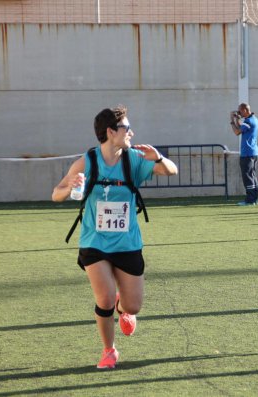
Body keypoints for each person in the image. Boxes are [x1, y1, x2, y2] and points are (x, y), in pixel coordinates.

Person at [52, 106, 178, 369]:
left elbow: (171, 171)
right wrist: (70, 188)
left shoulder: (133, 159)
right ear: (110, 132)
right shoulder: (87, 161)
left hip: (127, 243)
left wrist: (158, 158)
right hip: (94, 242)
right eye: (126, 128)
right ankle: (109, 350)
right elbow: (56, 193)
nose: (131, 132)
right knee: (105, 298)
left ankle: (124, 309)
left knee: (133, 306)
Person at [230, 103, 258, 205]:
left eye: (240, 111)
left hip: (247, 153)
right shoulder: (253, 119)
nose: (239, 113)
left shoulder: (248, 121)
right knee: (252, 175)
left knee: (247, 176)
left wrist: (231, 121)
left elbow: (237, 132)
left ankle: (251, 200)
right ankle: (254, 199)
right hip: (253, 152)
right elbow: (242, 129)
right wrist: (237, 120)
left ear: (245, 110)